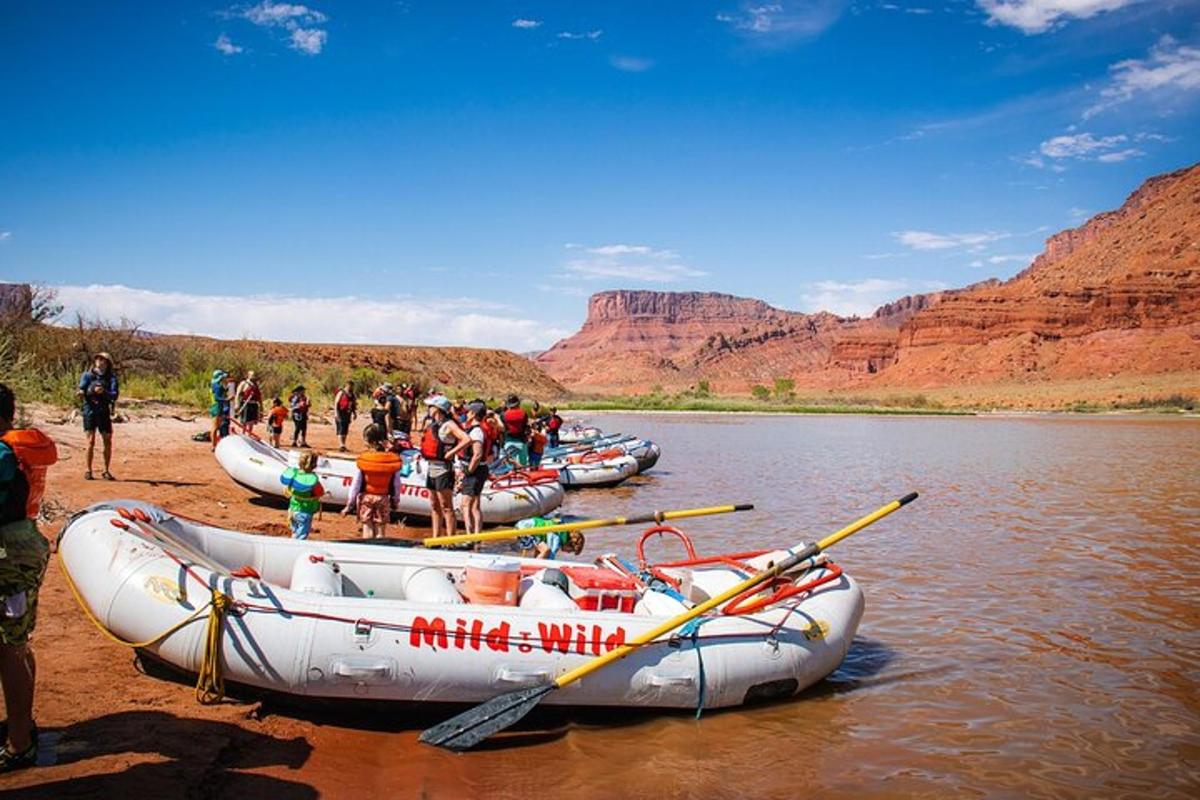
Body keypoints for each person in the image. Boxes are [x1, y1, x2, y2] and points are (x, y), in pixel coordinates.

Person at [0, 382, 58, 772]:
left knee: (8, 647)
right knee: (17, 643)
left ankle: (19, 744)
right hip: (24, 548)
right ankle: (23, 726)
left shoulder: (4, 453)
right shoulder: (17, 449)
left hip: (7, 556)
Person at [420, 395, 471, 539]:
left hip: (443, 469)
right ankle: (436, 538)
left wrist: (451, 452)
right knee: (434, 505)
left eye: (431, 406)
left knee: (446, 506)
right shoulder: (434, 424)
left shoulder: (449, 425)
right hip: (431, 468)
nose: (428, 409)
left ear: (438, 409)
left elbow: (466, 439)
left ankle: (450, 540)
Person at [342, 424, 403, 538]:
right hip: (383, 498)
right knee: (380, 529)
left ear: (372, 442)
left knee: (367, 527)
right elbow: (396, 484)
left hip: (367, 498)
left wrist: (350, 504)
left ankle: (366, 550)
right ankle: (379, 551)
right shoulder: (392, 461)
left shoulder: (365, 459)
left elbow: (356, 483)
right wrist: (395, 501)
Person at [77, 352, 118, 481]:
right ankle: (88, 470)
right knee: (90, 441)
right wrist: (84, 392)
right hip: (90, 411)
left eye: (103, 360)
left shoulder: (111, 378)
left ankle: (106, 470)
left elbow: (114, 395)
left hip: (104, 411)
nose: (100, 361)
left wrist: (103, 392)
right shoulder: (87, 375)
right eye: (98, 359)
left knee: (107, 440)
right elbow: (81, 390)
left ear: (107, 363)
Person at [458, 402, 494, 535]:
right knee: (475, 506)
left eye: (468, 412)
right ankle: (477, 536)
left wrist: (468, 471)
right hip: (480, 470)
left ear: (473, 414)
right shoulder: (477, 430)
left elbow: (477, 454)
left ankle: (469, 536)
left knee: (465, 505)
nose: (466, 414)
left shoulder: (476, 432)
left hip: (475, 471)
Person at [280, 450, 324, 540]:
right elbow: (320, 492)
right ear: (314, 465)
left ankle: (291, 547)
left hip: (292, 509)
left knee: (295, 532)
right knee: (301, 536)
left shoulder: (294, 474)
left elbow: (287, 488)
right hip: (305, 511)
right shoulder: (312, 480)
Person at [514, 519, 585, 560]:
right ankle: (535, 570)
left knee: (541, 552)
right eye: (571, 550)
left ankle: (533, 566)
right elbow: (551, 556)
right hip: (527, 529)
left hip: (526, 526)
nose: (568, 552)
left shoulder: (561, 531)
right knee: (546, 550)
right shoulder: (558, 538)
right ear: (571, 543)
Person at [501, 394, 530, 466]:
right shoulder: (524, 413)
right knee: (522, 466)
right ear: (518, 403)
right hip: (521, 442)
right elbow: (525, 426)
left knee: (509, 466)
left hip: (508, 441)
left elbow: (503, 427)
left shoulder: (503, 415)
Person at [235, 371, 262, 437]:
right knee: (245, 421)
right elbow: (238, 394)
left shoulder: (255, 385)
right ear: (248, 375)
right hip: (246, 404)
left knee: (251, 421)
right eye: (252, 375)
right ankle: (243, 434)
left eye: (254, 375)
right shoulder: (243, 383)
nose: (253, 377)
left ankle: (249, 434)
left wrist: (261, 406)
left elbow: (259, 396)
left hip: (254, 404)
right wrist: (237, 404)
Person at [208, 369, 230, 451]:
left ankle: (215, 444)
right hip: (217, 406)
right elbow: (217, 398)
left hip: (215, 406)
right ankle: (213, 446)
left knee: (216, 426)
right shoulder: (218, 386)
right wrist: (227, 399)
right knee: (215, 427)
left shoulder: (213, 385)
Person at [333, 381, 357, 452]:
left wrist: (354, 413)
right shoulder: (341, 393)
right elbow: (336, 403)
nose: (351, 387)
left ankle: (343, 444)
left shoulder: (352, 395)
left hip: (347, 414)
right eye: (349, 386)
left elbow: (353, 405)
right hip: (340, 413)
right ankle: (341, 445)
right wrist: (336, 413)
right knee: (340, 428)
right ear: (346, 385)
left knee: (345, 430)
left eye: (352, 386)